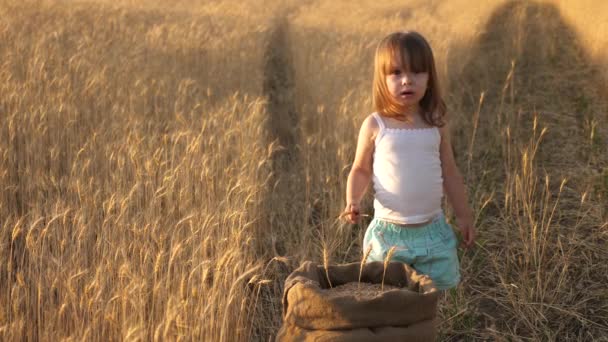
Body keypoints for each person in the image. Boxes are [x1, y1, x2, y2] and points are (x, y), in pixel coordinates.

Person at [343, 31, 475, 290]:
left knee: (436, 296)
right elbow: (360, 169)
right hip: (389, 236)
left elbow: (449, 172)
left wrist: (463, 215)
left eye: (417, 72)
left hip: (432, 231)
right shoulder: (375, 125)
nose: (407, 80)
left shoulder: (435, 123)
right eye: (396, 73)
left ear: (430, 77)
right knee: (386, 295)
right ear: (382, 79)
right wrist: (353, 200)